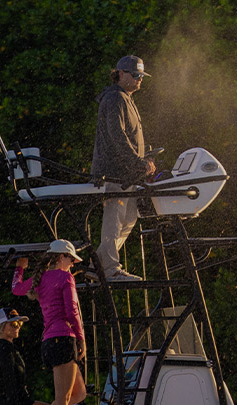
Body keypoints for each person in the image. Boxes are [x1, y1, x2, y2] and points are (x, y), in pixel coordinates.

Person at [14, 239, 90, 405]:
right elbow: (72, 311)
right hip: (64, 339)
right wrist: (81, 339)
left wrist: (19, 267)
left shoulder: (41, 279)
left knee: (79, 393)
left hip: (50, 341)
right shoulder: (66, 278)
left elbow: (16, 289)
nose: (73, 263)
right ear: (60, 258)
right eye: (71, 259)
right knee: (64, 396)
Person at [90, 54, 155, 283]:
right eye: (135, 74)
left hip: (125, 174)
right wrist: (137, 163)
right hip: (113, 174)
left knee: (129, 217)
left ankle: (97, 264)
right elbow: (117, 136)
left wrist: (142, 160)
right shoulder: (115, 98)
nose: (139, 79)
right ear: (120, 74)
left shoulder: (125, 98)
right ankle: (108, 269)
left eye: (141, 76)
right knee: (114, 218)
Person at [0, 307, 49, 405]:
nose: (18, 326)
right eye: (13, 324)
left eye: (19, 323)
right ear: (2, 327)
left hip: (4, 404)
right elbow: (8, 381)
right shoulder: (5, 350)